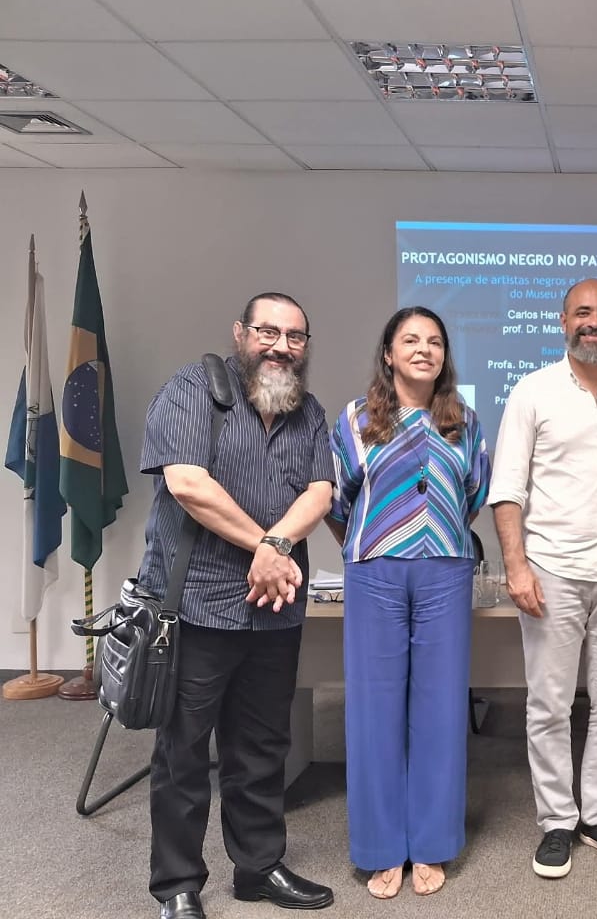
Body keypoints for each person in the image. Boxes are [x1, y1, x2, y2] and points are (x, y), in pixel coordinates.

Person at [140, 293, 335, 919]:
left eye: (295, 337)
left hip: (274, 609)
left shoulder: (309, 412)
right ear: (240, 333)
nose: (281, 346)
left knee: (262, 747)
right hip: (197, 604)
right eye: (267, 331)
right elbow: (187, 483)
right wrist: (268, 547)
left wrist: (274, 550)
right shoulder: (193, 389)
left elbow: (320, 492)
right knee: (184, 750)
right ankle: (177, 884)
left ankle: (258, 867)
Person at [489, 278, 597, 879]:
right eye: (583, 313)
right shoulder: (532, 390)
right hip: (552, 569)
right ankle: (557, 821)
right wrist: (516, 565)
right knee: (549, 704)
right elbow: (507, 488)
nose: (595, 323)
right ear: (563, 321)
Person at [327, 307, 490, 899]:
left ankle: (431, 843)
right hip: (374, 569)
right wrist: (377, 536)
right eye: (411, 340)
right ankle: (380, 848)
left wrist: (431, 530)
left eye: (435, 341)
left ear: (445, 356)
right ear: (389, 354)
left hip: (446, 568)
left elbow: (474, 493)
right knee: (373, 710)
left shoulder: (464, 421)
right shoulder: (355, 419)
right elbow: (337, 500)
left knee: (441, 708)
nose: (424, 349)